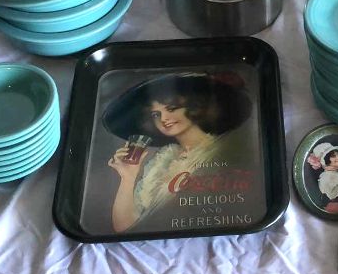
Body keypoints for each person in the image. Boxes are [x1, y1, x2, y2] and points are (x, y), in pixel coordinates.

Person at [104, 72, 252, 233]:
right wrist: (128, 177)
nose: (163, 119)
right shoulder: (162, 161)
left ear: (195, 107)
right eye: (156, 114)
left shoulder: (221, 150)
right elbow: (124, 229)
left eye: (172, 108)